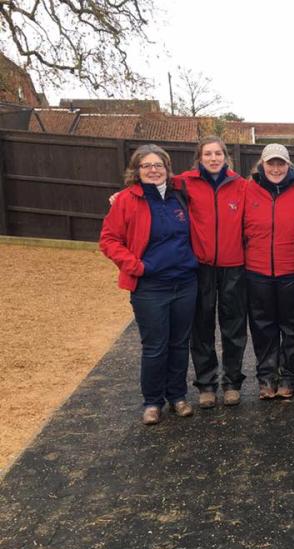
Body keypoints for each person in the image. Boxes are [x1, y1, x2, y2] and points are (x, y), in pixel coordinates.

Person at [100, 144, 198, 425]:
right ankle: (153, 402)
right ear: (137, 170)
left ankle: (177, 396)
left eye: (158, 165)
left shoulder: (180, 196)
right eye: (146, 166)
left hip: (185, 282)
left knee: (179, 344)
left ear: (167, 168)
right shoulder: (127, 200)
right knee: (155, 346)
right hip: (151, 287)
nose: (153, 170)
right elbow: (109, 240)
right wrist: (136, 266)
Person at [179, 137, 248, 409]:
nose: (213, 158)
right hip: (201, 266)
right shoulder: (185, 182)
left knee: (233, 327)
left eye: (218, 153)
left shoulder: (241, 185)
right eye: (208, 154)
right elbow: (152, 182)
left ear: (226, 157)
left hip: (234, 266)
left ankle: (232, 383)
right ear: (199, 158)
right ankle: (206, 384)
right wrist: (122, 194)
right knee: (202, 327)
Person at [243, 144, 294, 400]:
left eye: (280, 163)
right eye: (271, 163)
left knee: (293, 329)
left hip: (292, 272)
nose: (275, 168)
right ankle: (267, 378)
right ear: (262, 165)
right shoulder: (247, 190)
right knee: (263, 329)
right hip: (257, 272)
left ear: (288, 166)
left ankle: (289, 378)